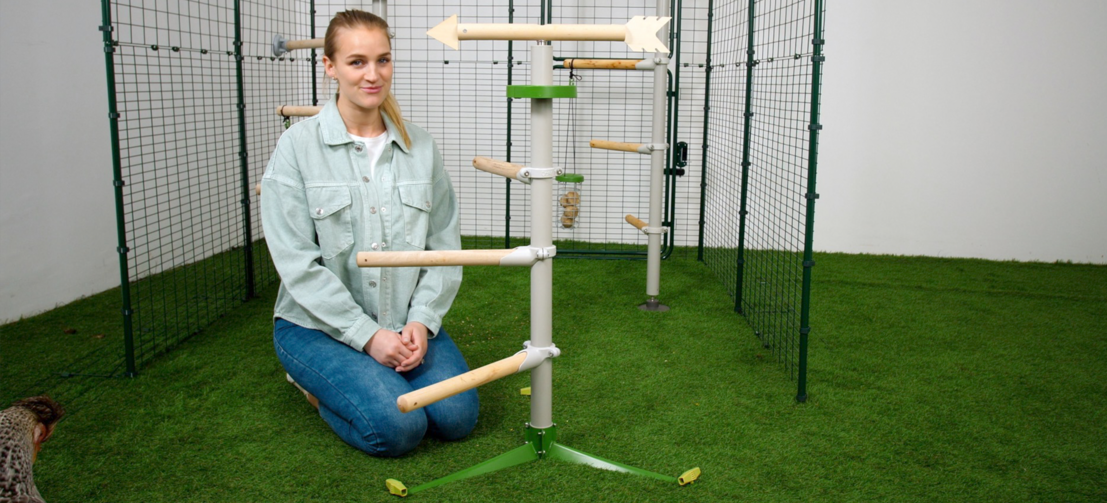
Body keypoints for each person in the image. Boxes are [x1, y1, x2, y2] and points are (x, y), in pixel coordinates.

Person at [260, 9, 478, 457]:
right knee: (398, 429)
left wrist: (421, 319)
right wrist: (367, 335)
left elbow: (444, 248)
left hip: (401, 319)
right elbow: (297, 264)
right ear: (330, 66)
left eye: (383, 60)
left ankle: (375, 370)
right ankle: (314, 386)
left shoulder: (421, 148)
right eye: (357, 61)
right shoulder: (297, 147)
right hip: (314, 327)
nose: (373, 74)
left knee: (457, 418)